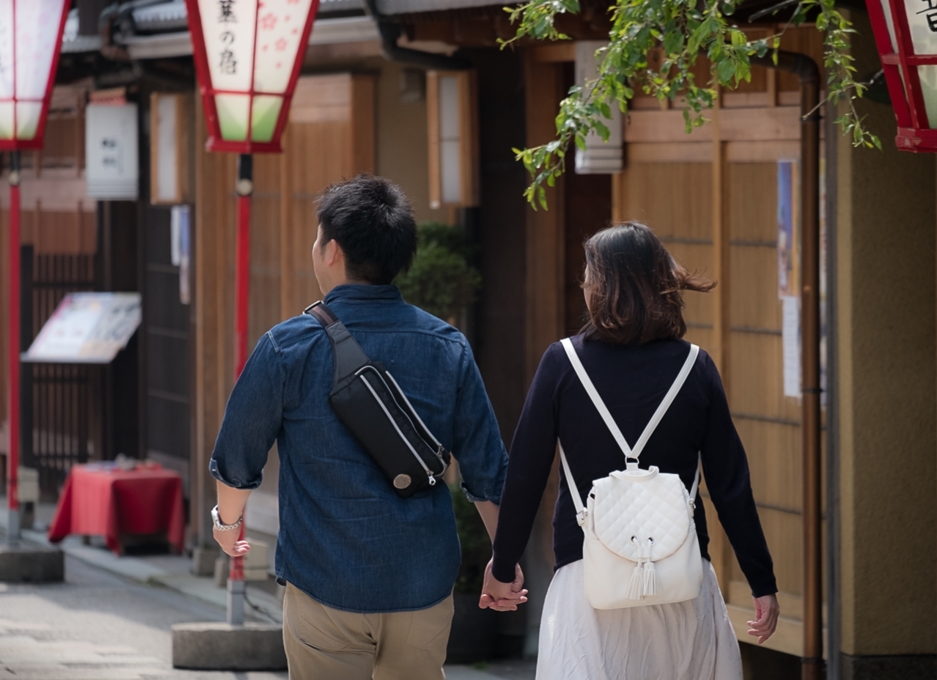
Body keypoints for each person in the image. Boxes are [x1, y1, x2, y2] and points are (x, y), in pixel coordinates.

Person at [207, 175, 524, 680]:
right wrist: (502, 567)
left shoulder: (288, 346)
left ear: (332, 251)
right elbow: (489, 472)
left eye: (316, 239)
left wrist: (227, 525)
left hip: (325, 581)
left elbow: (237, 457)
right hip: (421, 582)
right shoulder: (447, 346)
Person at [481, 222, 779, 679]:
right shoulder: (695, 367)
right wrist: (762, 581)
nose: (583, 283)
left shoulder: (563, 363)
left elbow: (525, 474)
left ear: (603, 286)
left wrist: (503, 567)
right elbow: (731, 484)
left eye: (588, 273)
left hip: (589, 584)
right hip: (681, 578)